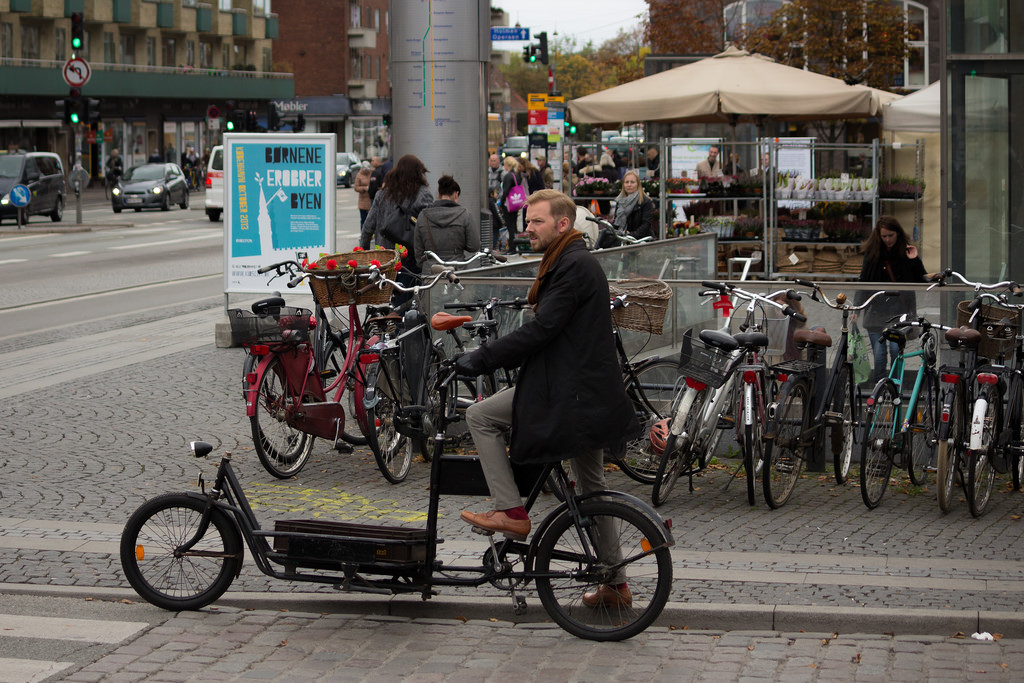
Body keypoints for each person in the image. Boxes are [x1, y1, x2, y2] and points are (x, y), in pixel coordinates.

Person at [456, 189, 641, 608]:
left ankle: (511, 511)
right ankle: (616, 584)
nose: (527, 229)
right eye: (526, 221)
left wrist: (482, 358)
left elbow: (544, 329)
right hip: (581, 389)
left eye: (536, 221)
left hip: (569, 393)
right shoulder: (569, 260)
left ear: (562, 224)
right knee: (593, 490)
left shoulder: (572, 265)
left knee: (482, 416)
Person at [853, 216, 927, 384]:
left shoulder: (905, 252)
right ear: (878, 236)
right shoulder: (872, 254)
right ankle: (879, 388)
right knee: (879, 355)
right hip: (876, 312)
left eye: (891, 235)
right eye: (884, 236)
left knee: (895, 351)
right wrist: (856, 309)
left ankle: (896, 386)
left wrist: (914, 259)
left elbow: (921, 279)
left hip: (899, 313)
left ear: (898, 234)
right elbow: (863, 282)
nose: (887, 240)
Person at [360, 154, 434, 298]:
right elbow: (428, 227)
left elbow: (368, 227)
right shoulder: (422, 194)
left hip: (385, 257)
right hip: (410, 257)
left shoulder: (382, 194)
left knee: (390, 297)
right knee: (409, 298)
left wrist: (363, 255)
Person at [414, 175, 480, 268]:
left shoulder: (423, 216)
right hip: (457, 270)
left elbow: (418, 250)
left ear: (438, 194)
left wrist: (425, 265)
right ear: (456, 194)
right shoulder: (465, 215)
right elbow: (474, 246)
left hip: (431, 271)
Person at [611, 169, 655, 241]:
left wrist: (630, 235)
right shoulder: (620, 201)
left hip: (641, 240)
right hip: (622, 238)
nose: (629, 185)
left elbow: (646, 225)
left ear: (638, 184)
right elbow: (616, 222)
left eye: (632, 182)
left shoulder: (645, 202)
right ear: (623, 185)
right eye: (626, 182)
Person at [500, 155, 524, 240]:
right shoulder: (516, 175)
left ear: (508, 165)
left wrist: (501, 202)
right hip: (515, 202)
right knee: (514, 224)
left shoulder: (508, 176)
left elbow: (506, 191)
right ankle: (514, 243)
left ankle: (511, 246)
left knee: (509, 225)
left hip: (508, 204)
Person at [353, 161, 372, 229]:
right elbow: (356, 187)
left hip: (371, 199)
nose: (367, 171)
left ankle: (372, 235)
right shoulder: (359, 175)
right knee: (363, 219)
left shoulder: (372, 173)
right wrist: (364, 188)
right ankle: (363, 234)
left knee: (371, 220)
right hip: (363, 200)